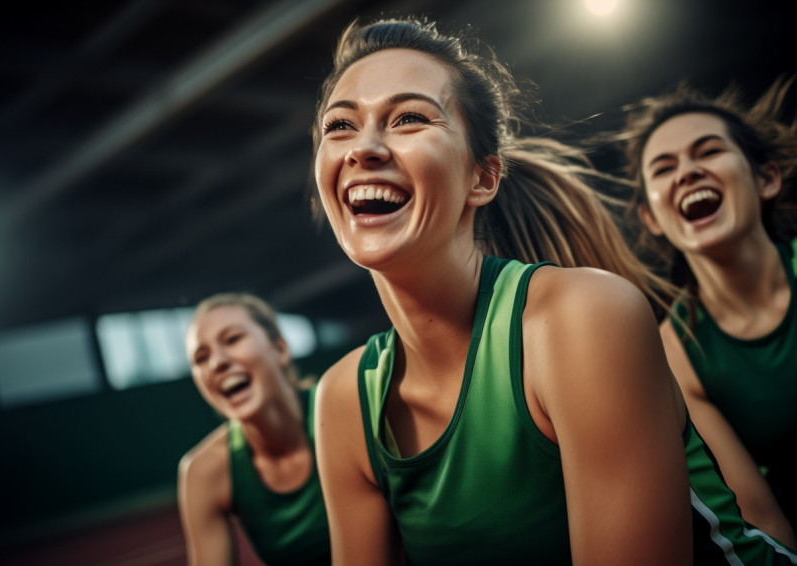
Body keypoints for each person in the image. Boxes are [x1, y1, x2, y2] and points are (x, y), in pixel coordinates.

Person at [310, 16, 797, 566]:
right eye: (339, 126)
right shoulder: (343, 400)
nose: (363, 147)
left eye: (409, 118)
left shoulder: (584, 317)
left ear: (483, 178)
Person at [619, 76, 797, 545]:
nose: (687, 172)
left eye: (709, 151)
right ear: (652, 218)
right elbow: (763, 520)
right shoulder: (671, 352)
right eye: (663, 167)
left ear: (766, 178)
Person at [177, 293, 331, 566]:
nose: (217, 363)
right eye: (201, 358)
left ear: (280, 349)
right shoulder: (203, 472)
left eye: (233, 339)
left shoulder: (343, 408)